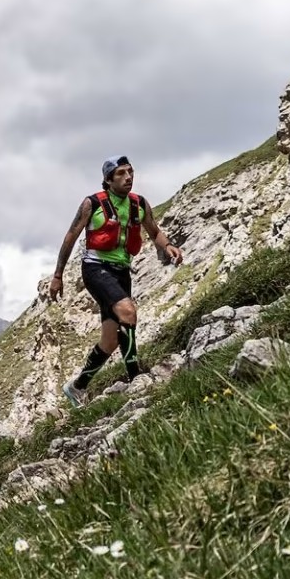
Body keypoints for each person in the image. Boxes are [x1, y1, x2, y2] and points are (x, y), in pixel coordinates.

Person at [48, 155, 183, 407]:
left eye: (130, 171)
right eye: (121, 173)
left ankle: (77, 387)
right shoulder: (92, 204)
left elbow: (154, 232)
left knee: (110, 340)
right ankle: (136, 377)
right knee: (128, 312)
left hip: (121, 271)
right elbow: (70, 237)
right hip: (96, 268)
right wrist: (57, 275)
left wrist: (169, 246)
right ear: (108, 179)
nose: (128, 177)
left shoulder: (139, 204)